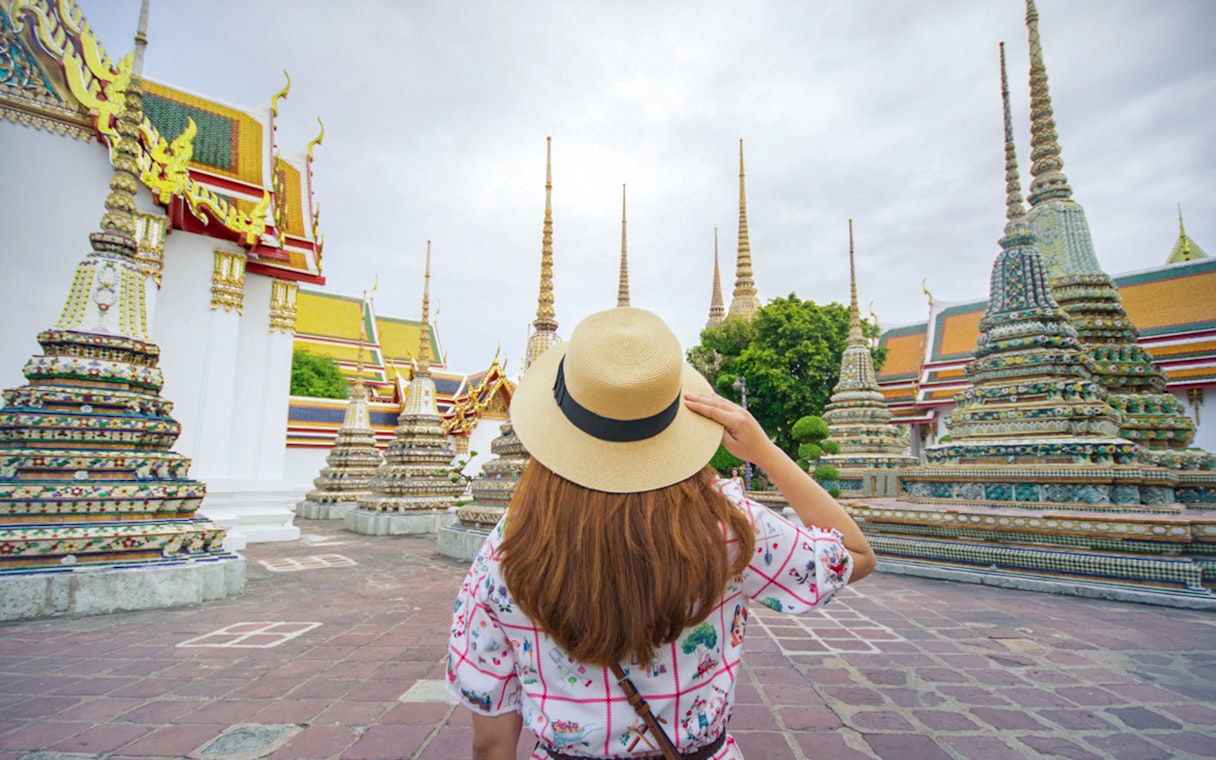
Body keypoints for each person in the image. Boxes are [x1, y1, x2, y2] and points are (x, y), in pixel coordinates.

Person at [447, 307, 875, 760]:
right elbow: (856, 554)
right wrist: (764, 451)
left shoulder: (509, 548)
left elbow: (491, 741)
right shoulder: (727, 526)